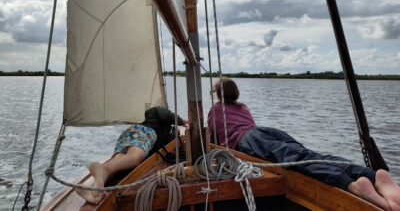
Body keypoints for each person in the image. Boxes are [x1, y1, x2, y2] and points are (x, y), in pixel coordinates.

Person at [207, 78, 400, 211]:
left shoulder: (216, 109)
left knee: (298, 160)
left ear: (217, 94)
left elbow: (212, 138)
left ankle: (351, 185)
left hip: (247, 140)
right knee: (306, 153)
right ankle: (372, 175)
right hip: (266, 131)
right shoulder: (243, 107)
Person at [76, 106, 188, 204]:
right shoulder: (156, 113)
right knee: (133, 159)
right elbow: (164, 114)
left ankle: (92, 189)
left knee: (119, 166)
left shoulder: (162, 134)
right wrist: (183, 121)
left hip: (129, 134)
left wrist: (176, 133)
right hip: (143, 133)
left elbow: (167, 145)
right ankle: (100, 167)